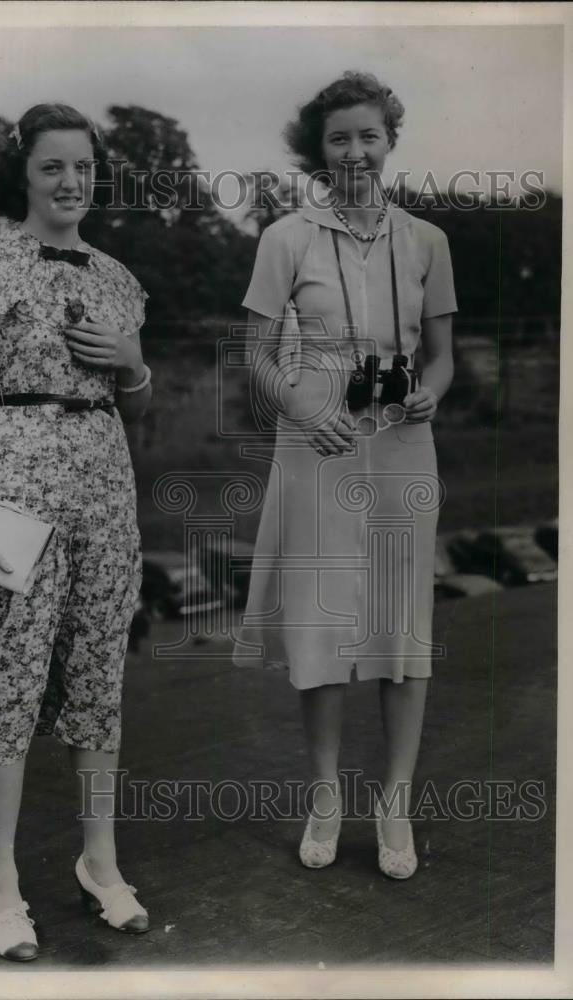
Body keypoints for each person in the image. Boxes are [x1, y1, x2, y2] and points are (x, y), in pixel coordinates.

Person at [0, 103, 153, 960]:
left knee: (96, 672)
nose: (71, 182)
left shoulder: (118, 279)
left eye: (84, 167)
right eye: (53, 166)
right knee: (4, 678)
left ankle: (100, 862)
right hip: (14, 485)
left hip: (103, 486)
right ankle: (2, 881)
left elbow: (137, 404)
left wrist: (133, 363)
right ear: (22, 175)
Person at [233, 72, 457, 879]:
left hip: (401, 443)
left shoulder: (427, 241)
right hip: (316, 439)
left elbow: (442, 356)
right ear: (317, 152)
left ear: (390, 139)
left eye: (369, 135)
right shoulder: (287, 236)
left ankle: (394, 801)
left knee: (403, 624)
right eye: (338, 139)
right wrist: (300, 407)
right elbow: (255, 356)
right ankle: (326, 793)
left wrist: (434, 388)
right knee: (324, 622)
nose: (356, 152)